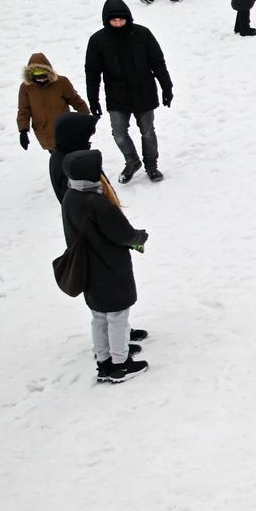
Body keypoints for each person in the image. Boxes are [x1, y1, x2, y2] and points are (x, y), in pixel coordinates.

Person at [59, 150, 150, 384]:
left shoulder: (70, 196)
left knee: (99, 316)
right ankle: (120, 365)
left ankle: (104, 362)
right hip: (109, 267)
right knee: (118, 315)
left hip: (88, 268)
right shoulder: (99, 204)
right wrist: (140, 237)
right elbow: (123, 235)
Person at [83, 0, 172, 183]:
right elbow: (92, 72)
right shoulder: (98, 40)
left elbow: (158, 62)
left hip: (144, 93)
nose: (118, 24)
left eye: (121, 20)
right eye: (113, 21)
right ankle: (132, 160)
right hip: (117, 96)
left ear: (128, 18)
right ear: (107, 21)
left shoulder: (142, 34)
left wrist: (166, 87)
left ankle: (151, 166)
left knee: (148, 131)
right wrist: (93, 100)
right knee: (118, 133)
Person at [17, 52, 90, 152]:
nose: (42, 81)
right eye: (38, 78)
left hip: (65, 129)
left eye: (44, 77)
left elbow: (76, 100)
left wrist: (86, 118)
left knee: (72, 158)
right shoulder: (26, 88)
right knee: (58, 159)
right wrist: (23, 131)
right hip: (44, 132)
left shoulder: (61, 82)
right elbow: (24, 111)